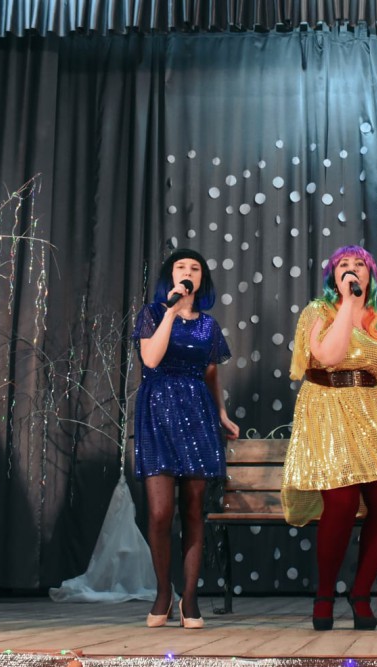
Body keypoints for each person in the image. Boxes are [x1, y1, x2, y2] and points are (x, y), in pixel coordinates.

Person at [281, 245, 377, 631]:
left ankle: (361, 593)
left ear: (371, 275)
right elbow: (330, 357)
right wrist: (349, 305)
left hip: (373, 413)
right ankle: (324, 595)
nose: (352, 270)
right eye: (343, 265)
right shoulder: (318, 311)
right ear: (334, 277)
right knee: (342, 502)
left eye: (359, 264)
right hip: (329, 409)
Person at [132, 248, 239, 629]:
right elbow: (151, 360)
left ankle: (190, 599)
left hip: (197, 415)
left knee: (194, 510)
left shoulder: (209, 326)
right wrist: (171, 311)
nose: (188, 272)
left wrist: (221, 413)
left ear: (202, 279)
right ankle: (164, 592)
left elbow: (211, 374)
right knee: (161, 512)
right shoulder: (152, 314)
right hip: (158, 413)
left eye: (195, 268)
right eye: (181, 267)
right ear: (171, 275)